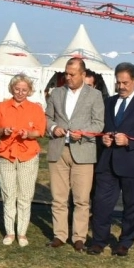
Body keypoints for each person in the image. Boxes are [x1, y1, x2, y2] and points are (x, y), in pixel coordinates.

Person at [88, 62, 134, 256]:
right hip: (108, 163)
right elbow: (102, 127)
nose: (121, 87)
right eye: (118, 82)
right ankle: (99, 241)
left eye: (125, 83)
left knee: (132, 206)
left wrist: (130, 141)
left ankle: (125, 242)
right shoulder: (109, 102)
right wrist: (103, 139)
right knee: (101, 204)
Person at [45, 58, 105, 251]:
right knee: (59, 197)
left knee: (81, 199)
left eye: (72, 74)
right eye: (66, 73)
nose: (68, 77)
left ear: (83, 74)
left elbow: (99, 123)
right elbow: (47, 117)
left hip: (83, 151)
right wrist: (53, 128)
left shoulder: (95, 95)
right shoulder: (56, 93)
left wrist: (83, 132)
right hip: (58, 150)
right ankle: (59, 235)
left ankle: (79, 237)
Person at [0, 74, 46, 247]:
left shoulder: (36, 109)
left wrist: (28, 134)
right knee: (8, 194)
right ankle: (10, 232)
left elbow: (40, 131)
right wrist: (3, 131)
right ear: (12, 89)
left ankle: (22, 233)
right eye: (17, 89)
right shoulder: (2, 107)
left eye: (24, 90)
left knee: (25, 196)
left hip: (28, 154)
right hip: (5, 154)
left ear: (29, 91)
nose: (20, 92)